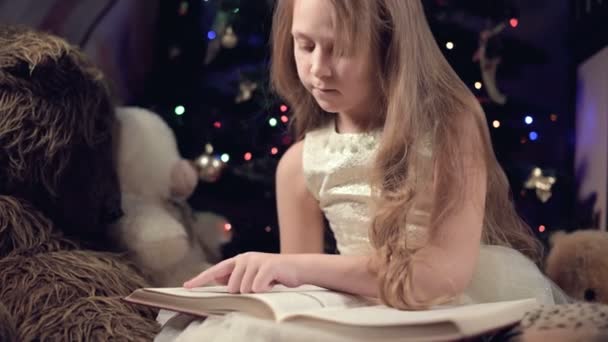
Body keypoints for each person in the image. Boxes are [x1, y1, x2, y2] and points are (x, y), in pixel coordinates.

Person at [157, 0, 568, 340]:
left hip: (444, 308)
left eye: (341, 48)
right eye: (305, 45)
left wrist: (292, 267)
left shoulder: (450, 126)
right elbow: (300, 298)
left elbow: (437, 276)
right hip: (352, 311)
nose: (318, 68)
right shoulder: (298, 165)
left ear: (390, 47)